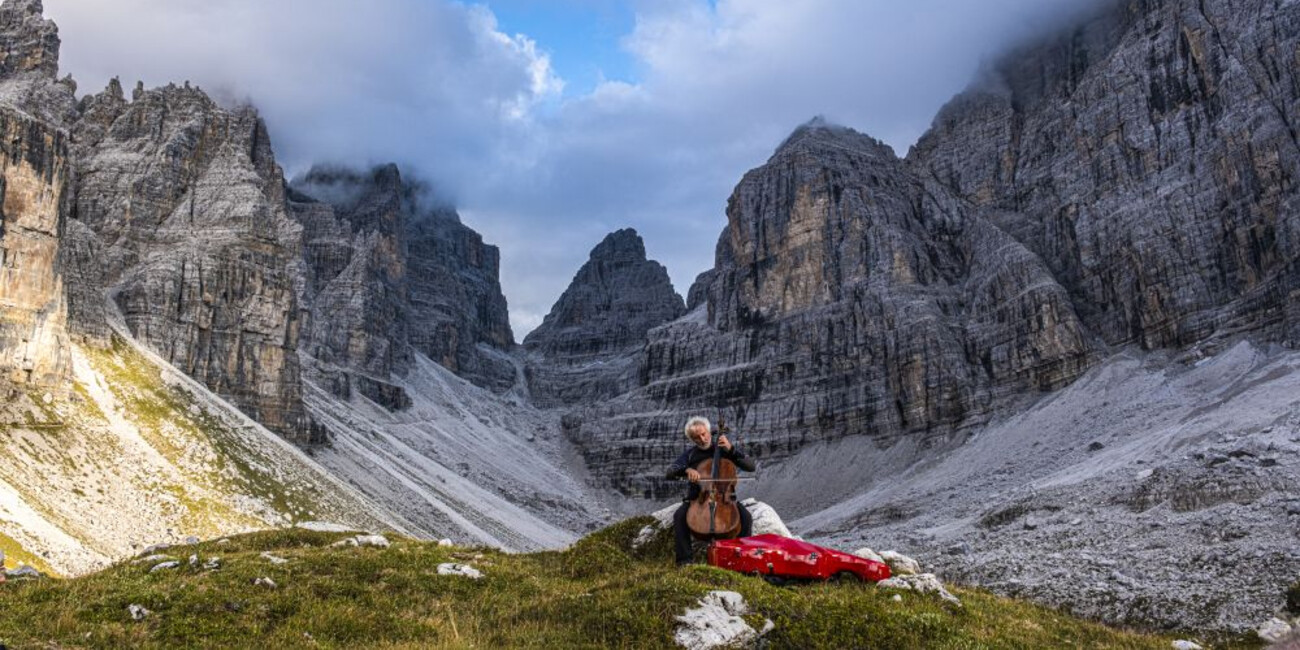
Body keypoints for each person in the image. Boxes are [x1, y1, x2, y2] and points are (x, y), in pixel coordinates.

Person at [665, 415, 757, 566]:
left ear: (709, 431)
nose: (702, 439)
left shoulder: (724, 448)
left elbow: (751, 466)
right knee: (679, 516)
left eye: (704, 434)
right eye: (696, 437)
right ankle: (684, 562)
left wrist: (731, 449)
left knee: (746, 518)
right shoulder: (690, 454)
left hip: (725, 498)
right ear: (692, 440)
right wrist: (687, 469)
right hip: (698, 498)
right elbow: (670, 471)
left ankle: (743, 560)